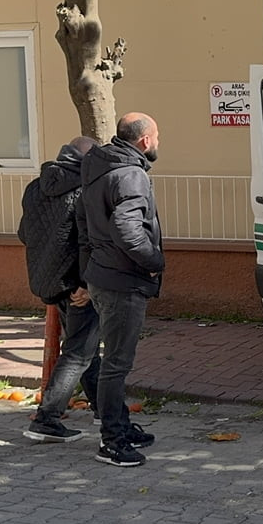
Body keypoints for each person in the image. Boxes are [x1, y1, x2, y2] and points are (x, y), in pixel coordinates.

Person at [79, 112, 164, 467]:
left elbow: (84, 224)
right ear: (144, 140)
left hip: (103, 274)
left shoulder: (98, 167)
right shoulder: (131, 175)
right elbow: (127, 228)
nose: (159, 142)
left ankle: (121, 426)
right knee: (117, 364)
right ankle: (112, 441)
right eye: (158, 136)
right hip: (121, 280)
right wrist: (153, 260)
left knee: (112, 361)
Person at [18, 135, 102, 443]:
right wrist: (86, 283)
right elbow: (87, 241)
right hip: (78, 284)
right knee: (79, 351)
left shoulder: (35, 188)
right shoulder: (85, 190)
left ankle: (104, 408)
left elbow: (25, 234)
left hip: (52, 282)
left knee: (84, 347)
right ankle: (47, 418)